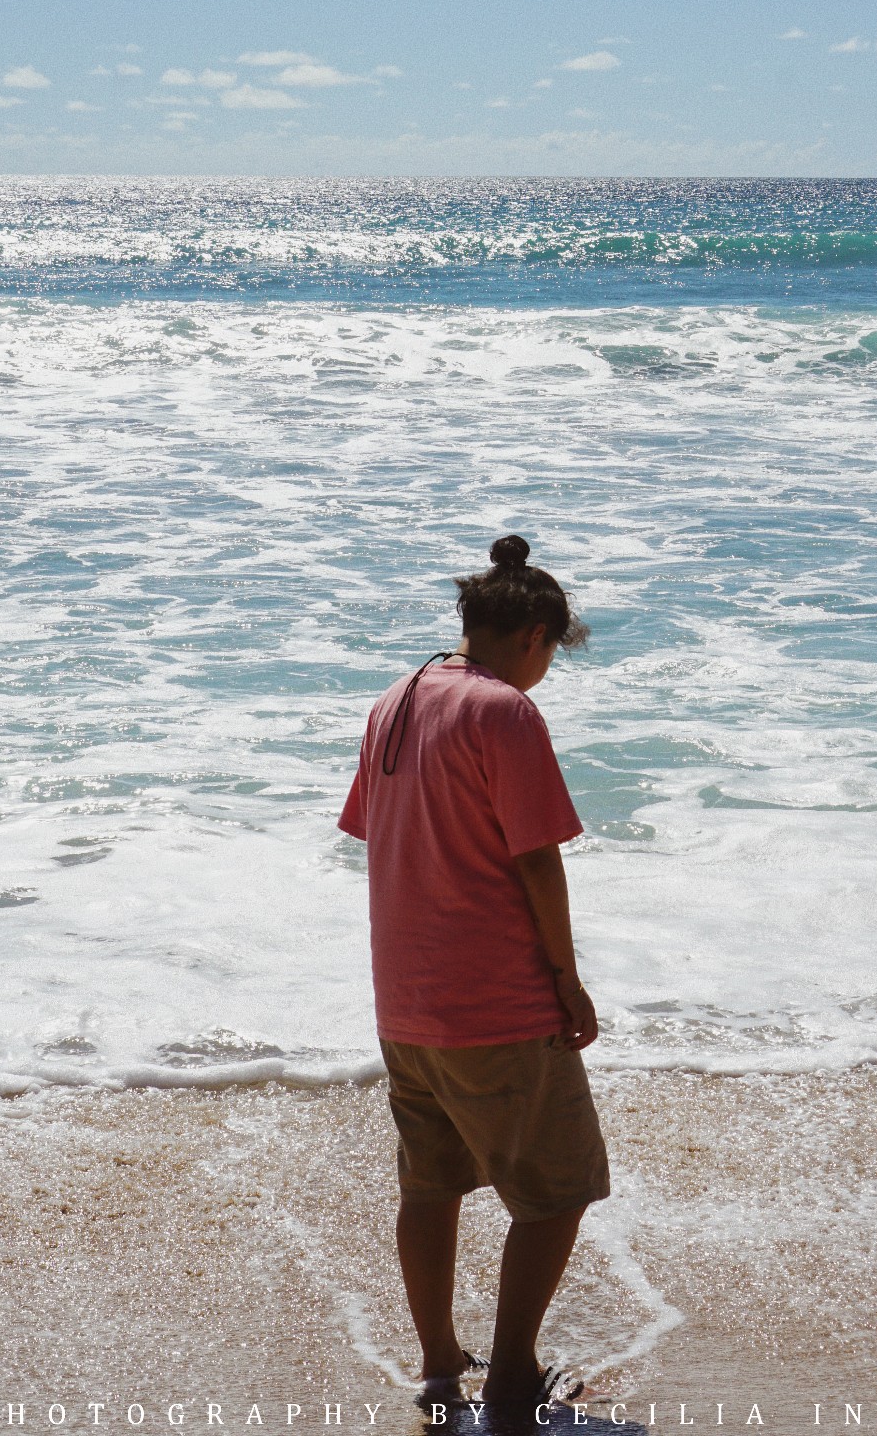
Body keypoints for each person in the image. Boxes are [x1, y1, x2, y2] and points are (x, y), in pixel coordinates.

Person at [338, 534, 608, 1410]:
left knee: (431, 1184)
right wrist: (566, 980)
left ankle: (440, 1364)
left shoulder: (395, 700)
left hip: (406, 1000)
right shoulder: (504, 712)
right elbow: (536, 860)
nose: (544, 674)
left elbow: (377, 836)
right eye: (550, 656)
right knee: (556, 1192)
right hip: (496, 1001)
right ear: (534, 634)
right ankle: (516, 1373)